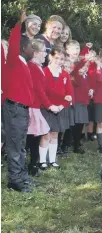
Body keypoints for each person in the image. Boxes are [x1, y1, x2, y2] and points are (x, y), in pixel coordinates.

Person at [4, 11, 36, 193]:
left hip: (21, 110)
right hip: (14, 109)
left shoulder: (24, 63)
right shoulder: (14, 60)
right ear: (23, 48)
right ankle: (14, 181)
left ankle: (22, 177)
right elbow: (14, 44)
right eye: (31, 46)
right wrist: (19, 24)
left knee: (21, 145)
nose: (34, 50)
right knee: (15, 146)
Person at [27, 39, 60, 176]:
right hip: (33, 106)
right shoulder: (33, 67)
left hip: (36, 106)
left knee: (35, 135)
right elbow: (39, 90)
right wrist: (50, 105)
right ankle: (32, 165)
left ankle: (33, 163)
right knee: (33, 136)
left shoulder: (37, 67)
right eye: (44, 51)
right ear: (35, 53)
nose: (46, 54)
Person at [40, 48, 73, 169]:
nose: (59, 61)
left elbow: (69, 93)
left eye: (62, 59)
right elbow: (41, 92)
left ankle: (52, 160)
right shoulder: (44, 72)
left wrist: (61, 105)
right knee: (46, 135)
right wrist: (50, 105)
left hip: (59, 108)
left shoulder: (65, 74)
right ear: (50, 57)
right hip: (46, 107)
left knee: (55, 134)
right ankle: (42, 161)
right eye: (56, 58)